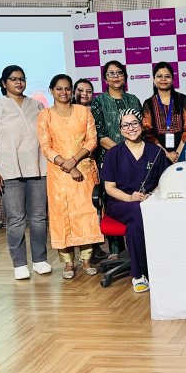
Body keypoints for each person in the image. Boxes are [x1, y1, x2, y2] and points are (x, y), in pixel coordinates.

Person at [0, 65, 51, 280]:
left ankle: (40, 260)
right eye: (13, 79)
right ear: (4, 83)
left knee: (39, 218)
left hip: (38, 169)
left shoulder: (37, 105)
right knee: (16, 220)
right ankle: (19, 264)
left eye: (22, 78)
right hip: (9, 172)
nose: (19, 82)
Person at [37, 74, 103, 279]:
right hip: (59, 175)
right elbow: (45, 146)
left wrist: (74, 160)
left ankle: (87, 260)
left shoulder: (84, 112)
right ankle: (68, 263)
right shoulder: (45, 115)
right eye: (59, 88)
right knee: (62, 217)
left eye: (67, 88)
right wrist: (65, 164)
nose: (63, 92)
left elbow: (92, 140)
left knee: (86, 216)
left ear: (72, 91)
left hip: (84, 170)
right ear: (51, 91)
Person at [101, 109, 168, 293]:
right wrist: (130, 197)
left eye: (134, 123)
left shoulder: (156, 152)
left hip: (149, 202)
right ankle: (145, 270)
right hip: (120, 203)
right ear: (120, 130)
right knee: (138, 210)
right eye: (125, 125)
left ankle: (139, 274)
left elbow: (164, 181)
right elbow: (109, 188)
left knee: (134, 224)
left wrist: (151, 195)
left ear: (141, 126)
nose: (131, 128)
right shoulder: (114, 154)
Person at [90, 60, 141, 258]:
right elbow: (100, 136)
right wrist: (123, 153)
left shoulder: (133, 100)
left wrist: (132, 154)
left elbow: (139, 129)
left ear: (125, 77)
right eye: (111, 74)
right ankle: (115, 252)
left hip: (136, 159)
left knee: (135, 199)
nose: (115, 77)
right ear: (105, 79)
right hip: (110, 159)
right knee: (114, 200)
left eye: (119, 72)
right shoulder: (99, 102)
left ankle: (138, 248)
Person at [71, 78, 108, 263]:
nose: (84, 94)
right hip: (71, 166)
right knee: (77, 210)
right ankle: (81, 249)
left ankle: (94, 247)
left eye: (88, 91)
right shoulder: (67, 112)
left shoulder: (95, 111)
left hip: (92, 163)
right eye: (80, 90)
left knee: (94, 207)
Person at [142, 61, 186, 163]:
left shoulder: (182, 99)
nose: (163, 79)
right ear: (154, 79)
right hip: (158, 153)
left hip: (183, 151)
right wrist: (167, 154)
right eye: (159, 76)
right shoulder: (148, 103)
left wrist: (178, 154)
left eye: (167, 76)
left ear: (173, 79)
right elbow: (148, 134)